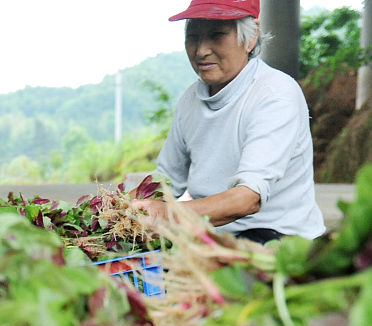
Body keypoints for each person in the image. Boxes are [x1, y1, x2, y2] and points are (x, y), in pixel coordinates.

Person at [133, 0, 325, 244]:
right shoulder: (190, 99)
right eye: (193, 36)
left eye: (217, 35)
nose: (201, 50)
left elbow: (248, 199)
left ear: (251, 36)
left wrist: (168, 214)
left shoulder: (275, 94)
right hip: (213, 235)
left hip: (278, 240)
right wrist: (111, 209)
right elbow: (167, 180)